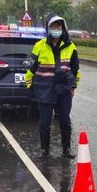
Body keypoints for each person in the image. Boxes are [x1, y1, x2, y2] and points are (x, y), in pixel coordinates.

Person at [25, 14, 80, 159]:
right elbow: (31, 68)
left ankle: (66, 150)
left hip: (64, 89)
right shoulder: (40, 46)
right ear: (48, 29)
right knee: (44, 121)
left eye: (58, 26)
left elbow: (75, 69)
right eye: (53, 27)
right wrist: (30, 86)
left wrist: (73, 86)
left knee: (64, 120)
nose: (56, 29)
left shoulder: (70, 46)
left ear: (63, 28)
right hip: (45, 89)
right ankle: (44, 151)